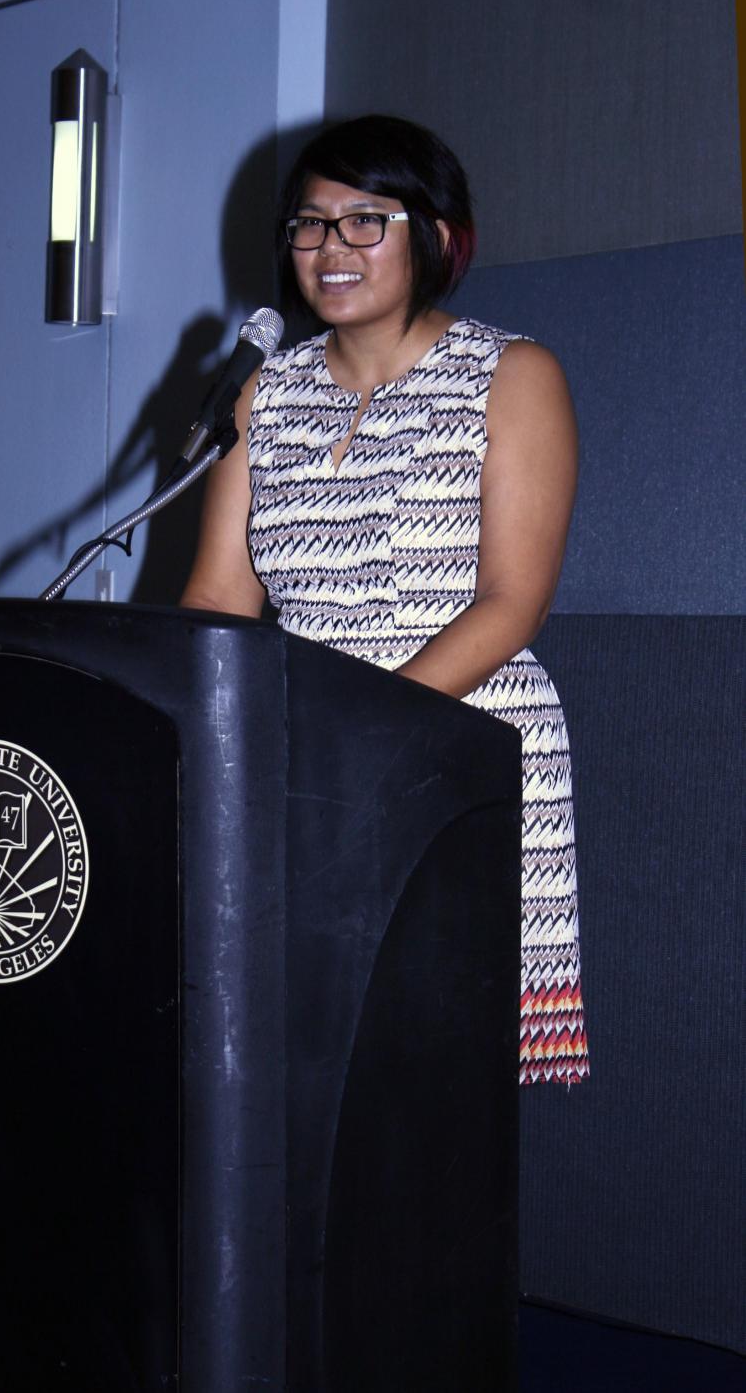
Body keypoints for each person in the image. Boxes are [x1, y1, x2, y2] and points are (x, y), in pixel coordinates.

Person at [180, 115, 589, 1085]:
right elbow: (216, 598)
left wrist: (360, 731)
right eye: (310, 224)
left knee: (433, 1087)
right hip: (301, 758)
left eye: (366, 220)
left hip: (456, 742)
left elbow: (511, 602)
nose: (331, 248)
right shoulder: (259, 397)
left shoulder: (511, 375)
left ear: (438, 236)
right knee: (302, 1066)